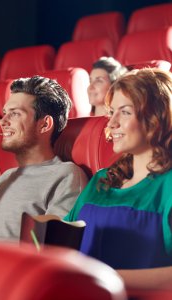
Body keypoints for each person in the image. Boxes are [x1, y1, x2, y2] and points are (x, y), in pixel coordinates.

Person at [0, 75, 89, 242]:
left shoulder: (66, 175)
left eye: (15, 114)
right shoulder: (4, 179)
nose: (2, 121)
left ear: (45, 124)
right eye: (4, 113)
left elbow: (49, 251)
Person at [65, 68, 172, 290]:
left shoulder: (168, 185)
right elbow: (64, 238)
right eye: (111, 112)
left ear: (157, 117)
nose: (111, 123)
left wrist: (104, 281)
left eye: (124, 112)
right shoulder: (102, 180)